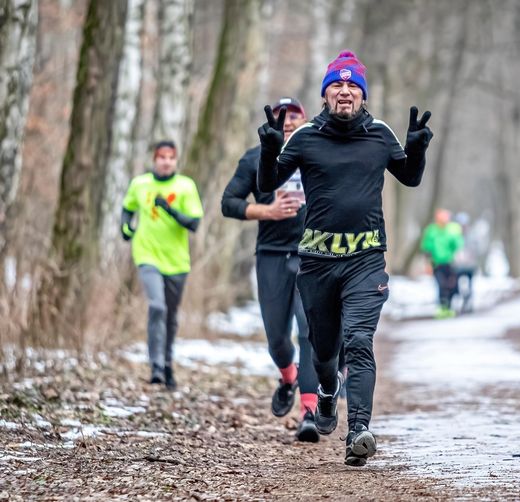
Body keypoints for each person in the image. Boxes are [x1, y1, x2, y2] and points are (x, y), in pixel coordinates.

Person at [257, 50, 433, 466]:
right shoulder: (304, 138)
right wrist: (269, 149)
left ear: (363, 95)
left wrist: (416, 149)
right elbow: (267, 183)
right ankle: (326, 393)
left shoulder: (380, 134)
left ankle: (359, 430)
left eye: (353, 86)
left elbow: (409, 177)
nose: (345, 92)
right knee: (323, 352)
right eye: (337, 84)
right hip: (317, 262)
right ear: (325, 95)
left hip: (366, 260)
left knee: (358, 341)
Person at [221, 97, 320, 443]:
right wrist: (267, 211)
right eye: (281, 116)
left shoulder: (317, 154)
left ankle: (309, 411)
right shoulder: (254, 158)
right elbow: (228, 203)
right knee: (278, 337)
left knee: (309, 332)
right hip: (272, 254)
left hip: (314, 255)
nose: (288, 121)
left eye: (294, 115)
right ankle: (288, 376)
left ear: (305, 120)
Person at [121, 140, 203, 390]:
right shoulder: (140, 184)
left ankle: (167, 363)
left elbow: (194, 223)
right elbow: (127, 209)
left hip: (177, 261)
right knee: (157, 307)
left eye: (171, 157)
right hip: (147, 255)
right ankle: (155, 365)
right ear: (154, 159)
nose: (166, 161)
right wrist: (125, 227)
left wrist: (169, 210)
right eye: (162, 157)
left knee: (170, 315)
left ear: (176, 161)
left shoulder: (185, 186)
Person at [420, 208, 464, 319]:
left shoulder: (451, 230)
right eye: (442, 219)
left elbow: (457, 246)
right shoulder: (431, 231)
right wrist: (428, 264)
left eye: (446, 219)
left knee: (452, 285)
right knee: (441, 285)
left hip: (450, 263)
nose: (444, 222)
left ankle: (449, 307)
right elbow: (426, 248)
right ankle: (442, 308)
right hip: (436, 263)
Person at [451, 212, 477, 314]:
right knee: (458, 285)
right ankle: (460, 302)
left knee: (469, 285)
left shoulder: (472, 235)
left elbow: (476, 248)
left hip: (469, 266)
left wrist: (471, 256)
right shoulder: (455, 236)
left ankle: (468, 302)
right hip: (458, 266)